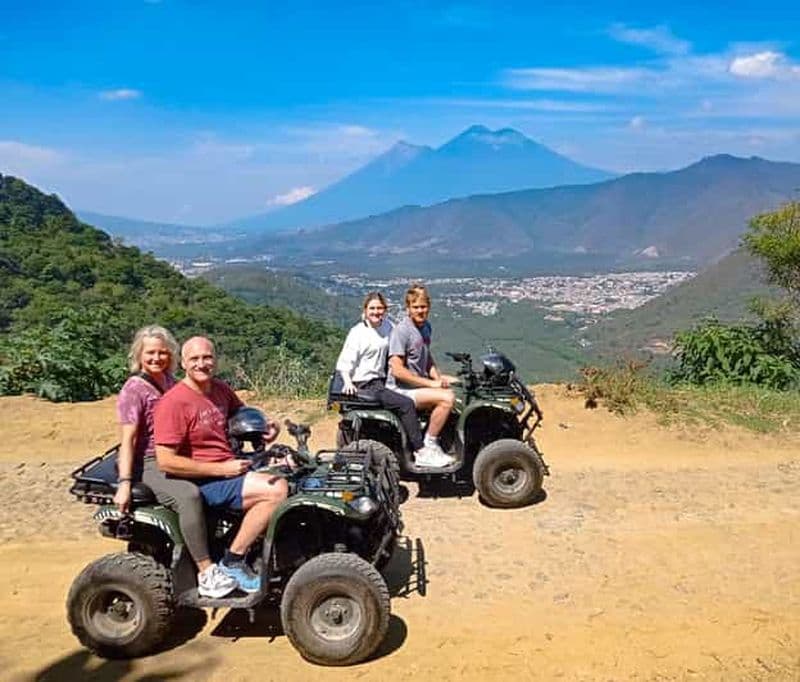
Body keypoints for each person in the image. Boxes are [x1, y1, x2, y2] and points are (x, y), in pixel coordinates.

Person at [153, 336, 288, 593]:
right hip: (204, 479)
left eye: (207, 357)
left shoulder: (220, 389)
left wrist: (268, 429)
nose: (201, 364)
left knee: (291, 473)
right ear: (183, 363)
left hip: (229, 468)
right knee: (276, 490)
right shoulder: (174, 403)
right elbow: (166, 461)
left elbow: (243, 419)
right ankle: (233, 560)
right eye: (194, 359)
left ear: (215, 360)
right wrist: (221, 469)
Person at [115, 325, 238, 599]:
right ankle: (206, 571)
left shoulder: (172, 383)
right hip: (152, 462)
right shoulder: (134, 389)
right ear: (139, 355)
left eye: (162, 353)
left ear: (171, 356)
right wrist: (124, 483)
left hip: (185, 455)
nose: (156, 358)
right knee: (189, 495)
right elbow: (128, 438)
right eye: (150, 353)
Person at [335, 291, 448, 468]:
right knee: (406, 404)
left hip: (380, 380)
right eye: (372, 308)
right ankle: (420, 451)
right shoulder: (357, 332)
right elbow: (345, 360)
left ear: (385, 310)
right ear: (365, 310)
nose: (376, 312)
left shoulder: (388, 326)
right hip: (364, 383)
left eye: (380, 308)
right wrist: (347, 381)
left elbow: (403, 339)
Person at [387, 283, 458, 468]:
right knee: (447, 399)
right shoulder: (402, 331)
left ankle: (445, 439)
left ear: (429, 307)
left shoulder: (426, 327)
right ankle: (427, 447)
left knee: (457, 386)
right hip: (400, 389)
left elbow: (427, 358)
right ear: (408, 308)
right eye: (416, 307)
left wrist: (438, 378)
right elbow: (397, 370)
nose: (420, 311)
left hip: (417, 385)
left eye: (423, 306)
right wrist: (430, 384)